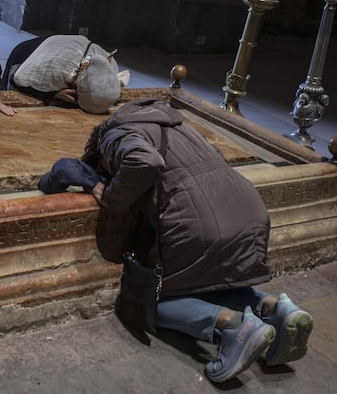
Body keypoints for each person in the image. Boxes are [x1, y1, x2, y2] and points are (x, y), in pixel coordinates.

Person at [39, 97, 313, 383]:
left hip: (201, 225)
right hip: (249, 210)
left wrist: (108, 193)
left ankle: (233, 328)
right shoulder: (180, 126)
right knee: (206, 286)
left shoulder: (114, 134)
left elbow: (143, 161)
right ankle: (276, 310)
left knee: (153, 303)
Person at [2, 34, 125, 114]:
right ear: (76, 86)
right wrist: (53, 94)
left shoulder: (111, 67)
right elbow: (17, 79)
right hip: (27, 55)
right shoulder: (54, 67)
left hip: (69, 46)